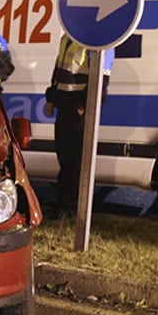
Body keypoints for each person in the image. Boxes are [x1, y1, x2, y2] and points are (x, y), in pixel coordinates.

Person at [44, 34, 114, 215]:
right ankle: (64, 202)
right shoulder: (68, 38)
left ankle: (70, 206)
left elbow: (101, 78)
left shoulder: (97, 39)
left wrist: (84, 104)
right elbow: (59, 69)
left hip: (78, 108)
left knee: (74, 159)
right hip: (64, 105)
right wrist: (51, 98)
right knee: (65, 157)